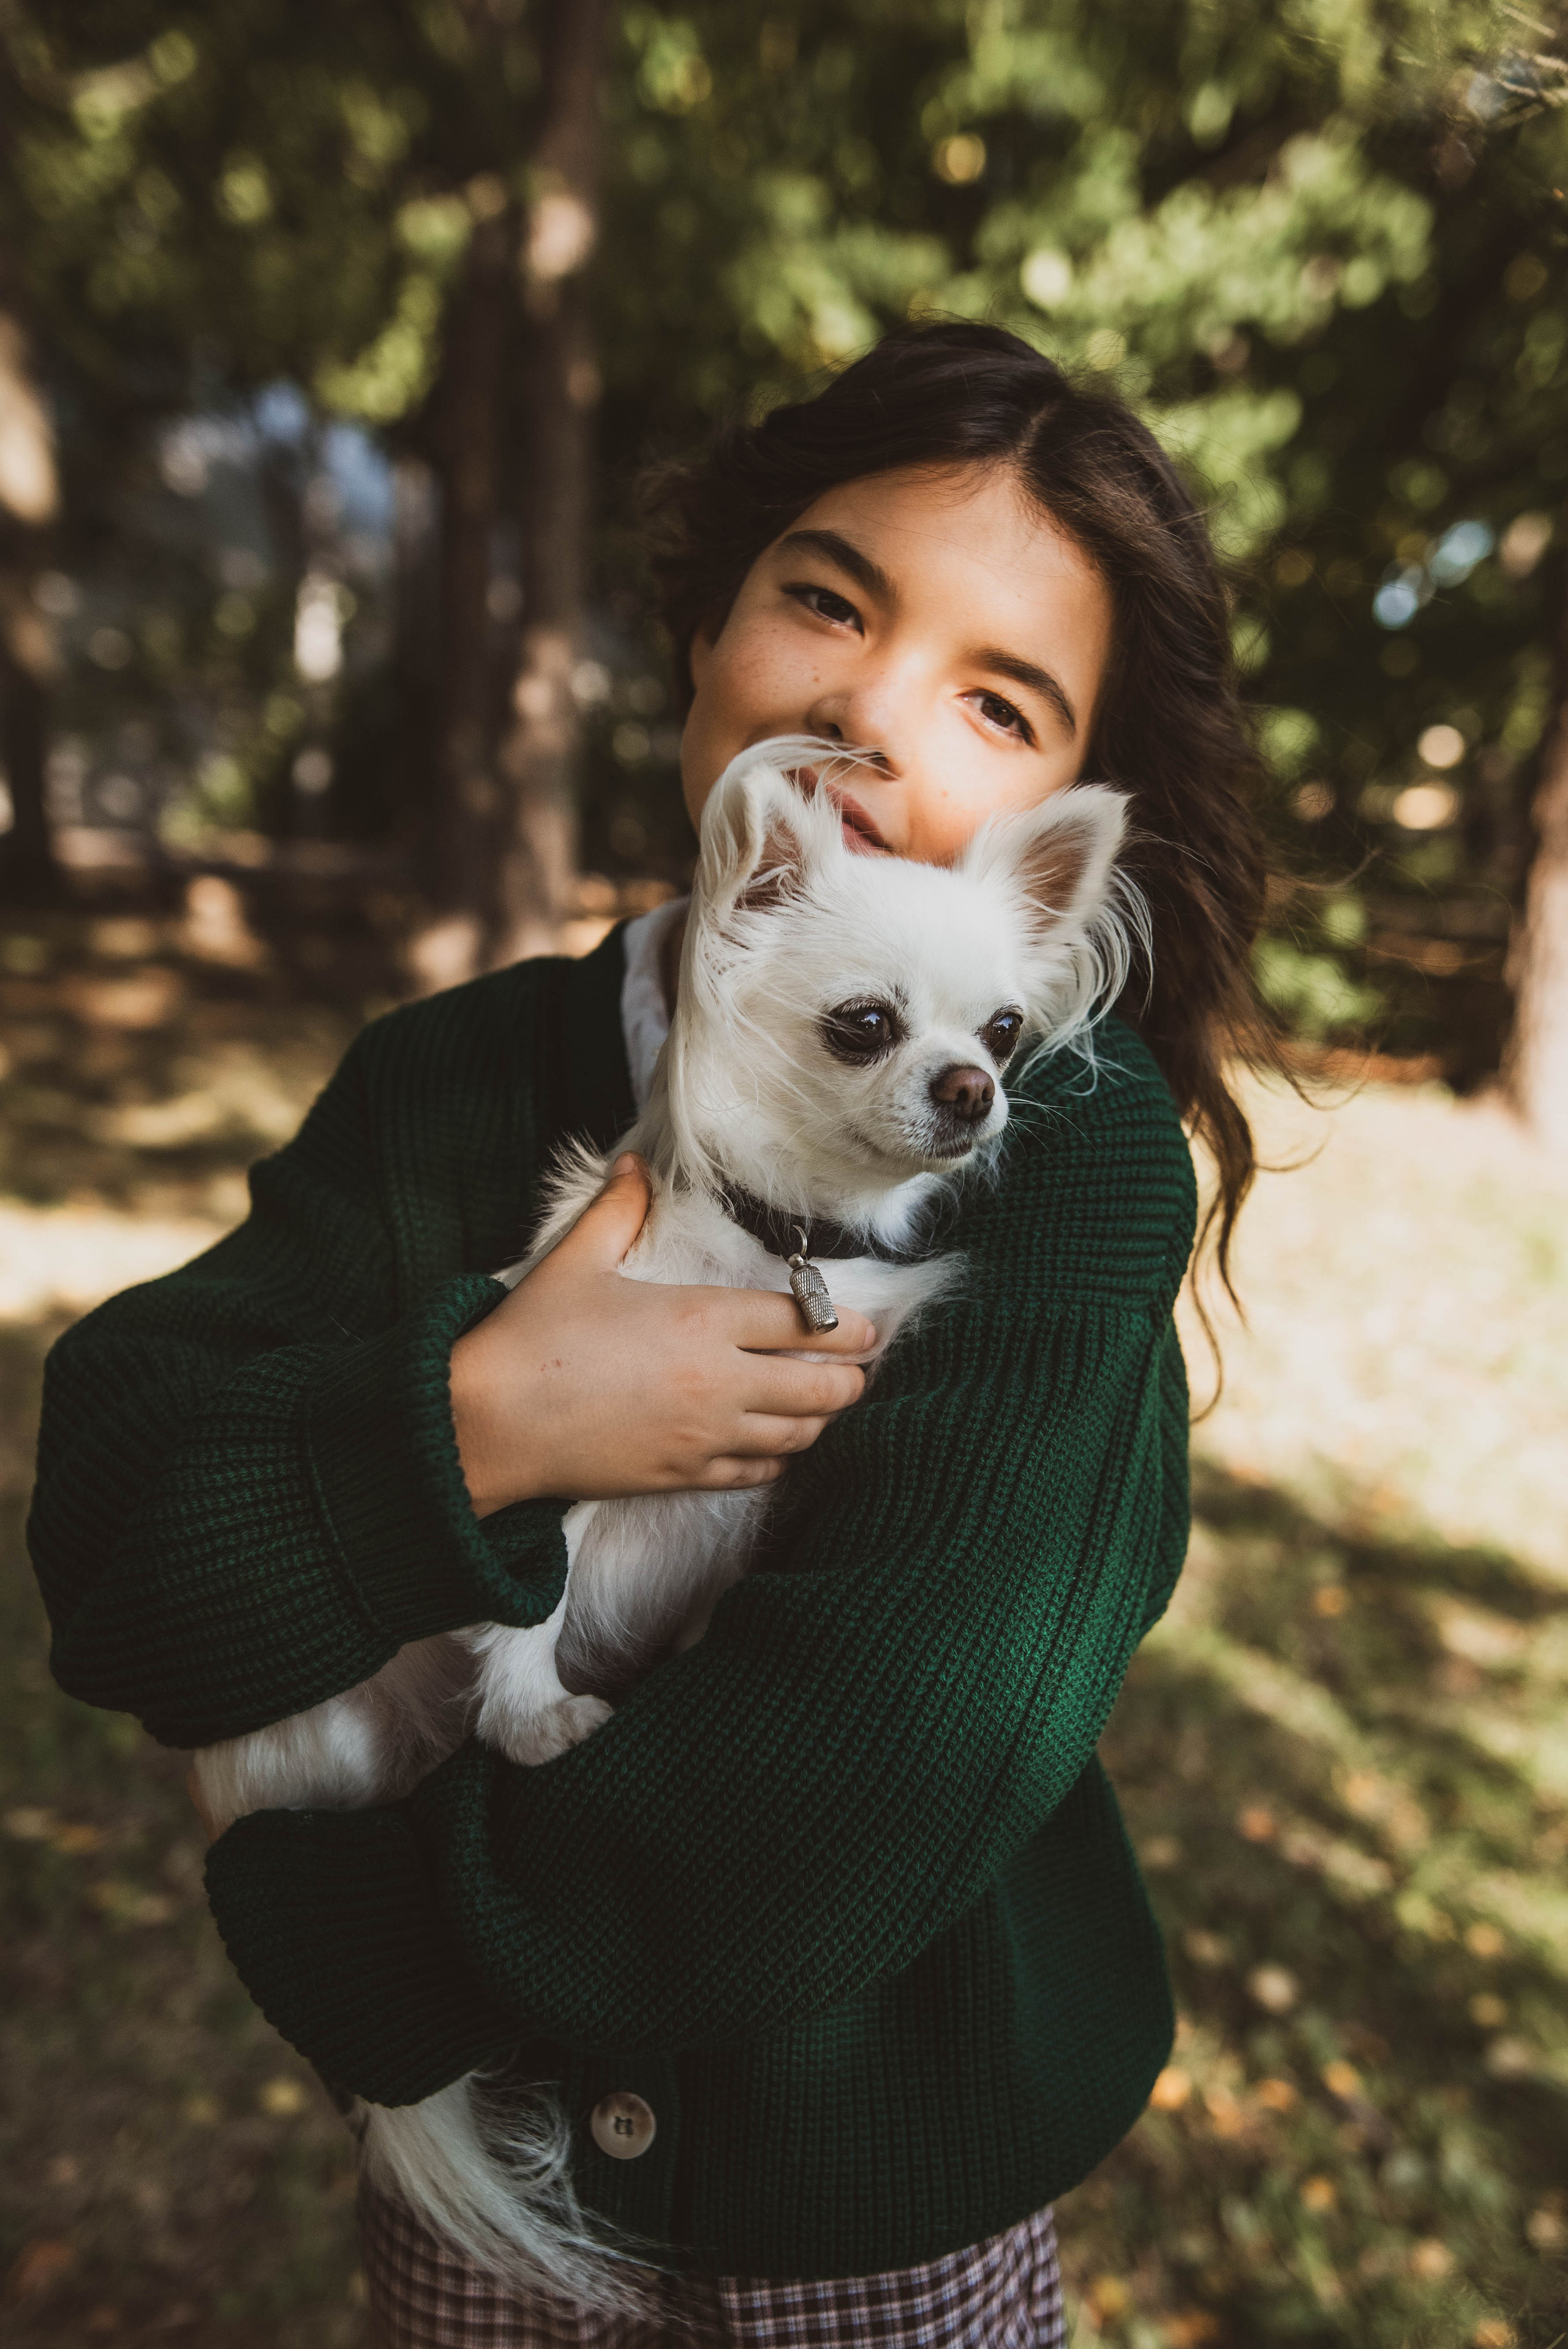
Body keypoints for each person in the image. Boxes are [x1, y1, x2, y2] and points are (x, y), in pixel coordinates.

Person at [28, 322, 1269, 2346]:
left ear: (1063, 841)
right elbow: (124, 1555)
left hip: (883, 2203)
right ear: (704, 622)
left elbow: (878, 1761)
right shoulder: (445, 1088)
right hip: (484, 2216)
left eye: (998, 697)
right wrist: (482, 1423)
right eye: (826, 597)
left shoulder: (1065, 1156)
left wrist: (382, 1946)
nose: (873, 712)